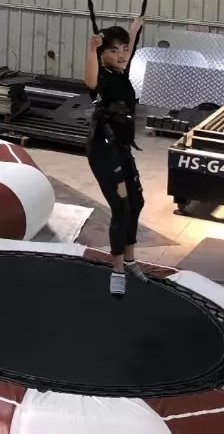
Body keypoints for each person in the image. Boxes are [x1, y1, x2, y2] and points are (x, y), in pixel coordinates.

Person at [84, 19, 146, 297]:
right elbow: (89, 80)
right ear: (103, 54)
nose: (122, 55)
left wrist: (133, 31)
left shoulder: (121, 71)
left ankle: (131, 259)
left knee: (137, 202)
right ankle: (117, 270)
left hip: (121, 147)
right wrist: (92, 49)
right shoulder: (103, 78)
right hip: (103, 150)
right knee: (121, 207)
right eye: (114, 51)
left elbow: (127, 54)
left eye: (124, 49)